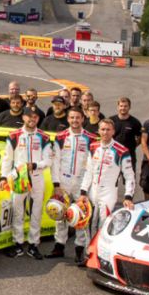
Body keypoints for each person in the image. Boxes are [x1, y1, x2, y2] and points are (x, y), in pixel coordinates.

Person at [1, 106, 53, 259]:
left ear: (38, 119)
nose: (32, 119)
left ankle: (33, 245)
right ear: (23, 117)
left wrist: (35, 165)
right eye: (29, 116)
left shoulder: (44, 137)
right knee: (18, 212)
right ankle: (18, 244)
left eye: (35, 117)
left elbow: (48, 160)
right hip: (18, 178)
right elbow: (7, 159)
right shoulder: (14, 135)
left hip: (37, 177)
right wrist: (4, 177)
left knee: (36, 211)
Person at [50, 108, 97, 263]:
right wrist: (56, 183)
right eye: (72, 118)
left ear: (83, 119)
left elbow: (92, 166)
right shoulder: (60, 137)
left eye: (77, 117)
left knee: (81, 216)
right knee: (60, 215)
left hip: (81, 182)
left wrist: (86, 187)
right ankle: (59, 245)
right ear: (68, 119)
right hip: (63, 181)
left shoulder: (91, 138)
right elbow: (55, 162)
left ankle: (79, 248)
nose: (75, 120)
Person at [79, 118, 136, 244]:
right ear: (98, 131)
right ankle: (89, 250)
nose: (105, 132)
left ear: (113, 132)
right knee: (89, 223)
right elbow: (88, 171)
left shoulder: (121, 151)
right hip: (93, 191)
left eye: (108, 130)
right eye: (103, 129)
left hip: (108, 192)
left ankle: (101, 252)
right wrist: (83, 192)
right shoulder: (93, 147)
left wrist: (128, 197)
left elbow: (129, 176)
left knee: (103, 224)